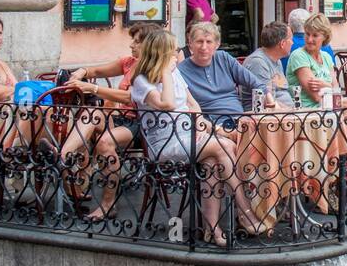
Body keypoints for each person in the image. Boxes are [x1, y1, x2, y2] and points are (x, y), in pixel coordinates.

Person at [130, 29, 264, 245]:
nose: (178, 54)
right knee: (225, 147)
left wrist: (203, 124)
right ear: (161, 54)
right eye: (173, 51)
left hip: (188, 134)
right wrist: (165, 72)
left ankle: (212, 229)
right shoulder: (142, 81)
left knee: (212, 162)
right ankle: (245, 210)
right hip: (165, 142)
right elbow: (168, 104)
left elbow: (192, 104)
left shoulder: (174, 73)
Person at [61, 21, 158, 221]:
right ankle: (62, 157)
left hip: (143, 124)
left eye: (137, 41)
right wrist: (81, 72)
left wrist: (93, 89)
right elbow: (95, 71)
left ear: (149, 44)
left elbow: (129, 97)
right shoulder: (128, 62)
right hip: (121, 119)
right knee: (91, 113)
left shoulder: (153, 67)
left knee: (105, 142)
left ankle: (108, 204)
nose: (132, 45)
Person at [177, 22, 264, 128]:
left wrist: (272, 101)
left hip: (240, 121)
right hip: (212, 126)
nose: (204, 47)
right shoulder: (181, 71)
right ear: (190, 43)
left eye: (209, 42)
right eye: (199, 41)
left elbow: (256, 83)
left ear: (217, 44)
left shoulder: (223, 58)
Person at [242, 21, 296, 110]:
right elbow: (267, 102)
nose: (292, 43)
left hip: (284, 116)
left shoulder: (277, 60)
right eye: (291, 39)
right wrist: (291, 111)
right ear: (282, 43)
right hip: (267, 118)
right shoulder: (258, 63)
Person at [286, 13, 337, 107]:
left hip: (327, 110)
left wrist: (324, 85)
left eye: (315, 35)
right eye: (307, 34)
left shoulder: (327, 57)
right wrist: (330, 87)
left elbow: (337, 91)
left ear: (325, 37)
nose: (309, 39)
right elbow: (317, 96)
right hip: (307, 113)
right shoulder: (298, 56)